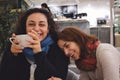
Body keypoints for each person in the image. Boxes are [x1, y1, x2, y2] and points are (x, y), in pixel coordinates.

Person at [0, 8, 69, 80]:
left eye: (41, 25)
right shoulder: (14, 46)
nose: (36, 28)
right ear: (25, 27)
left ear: (48, 28)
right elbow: (3, 76)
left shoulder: (58, 49)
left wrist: (39, 53)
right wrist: (11, 55)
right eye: (31, 24)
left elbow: (59, 77)